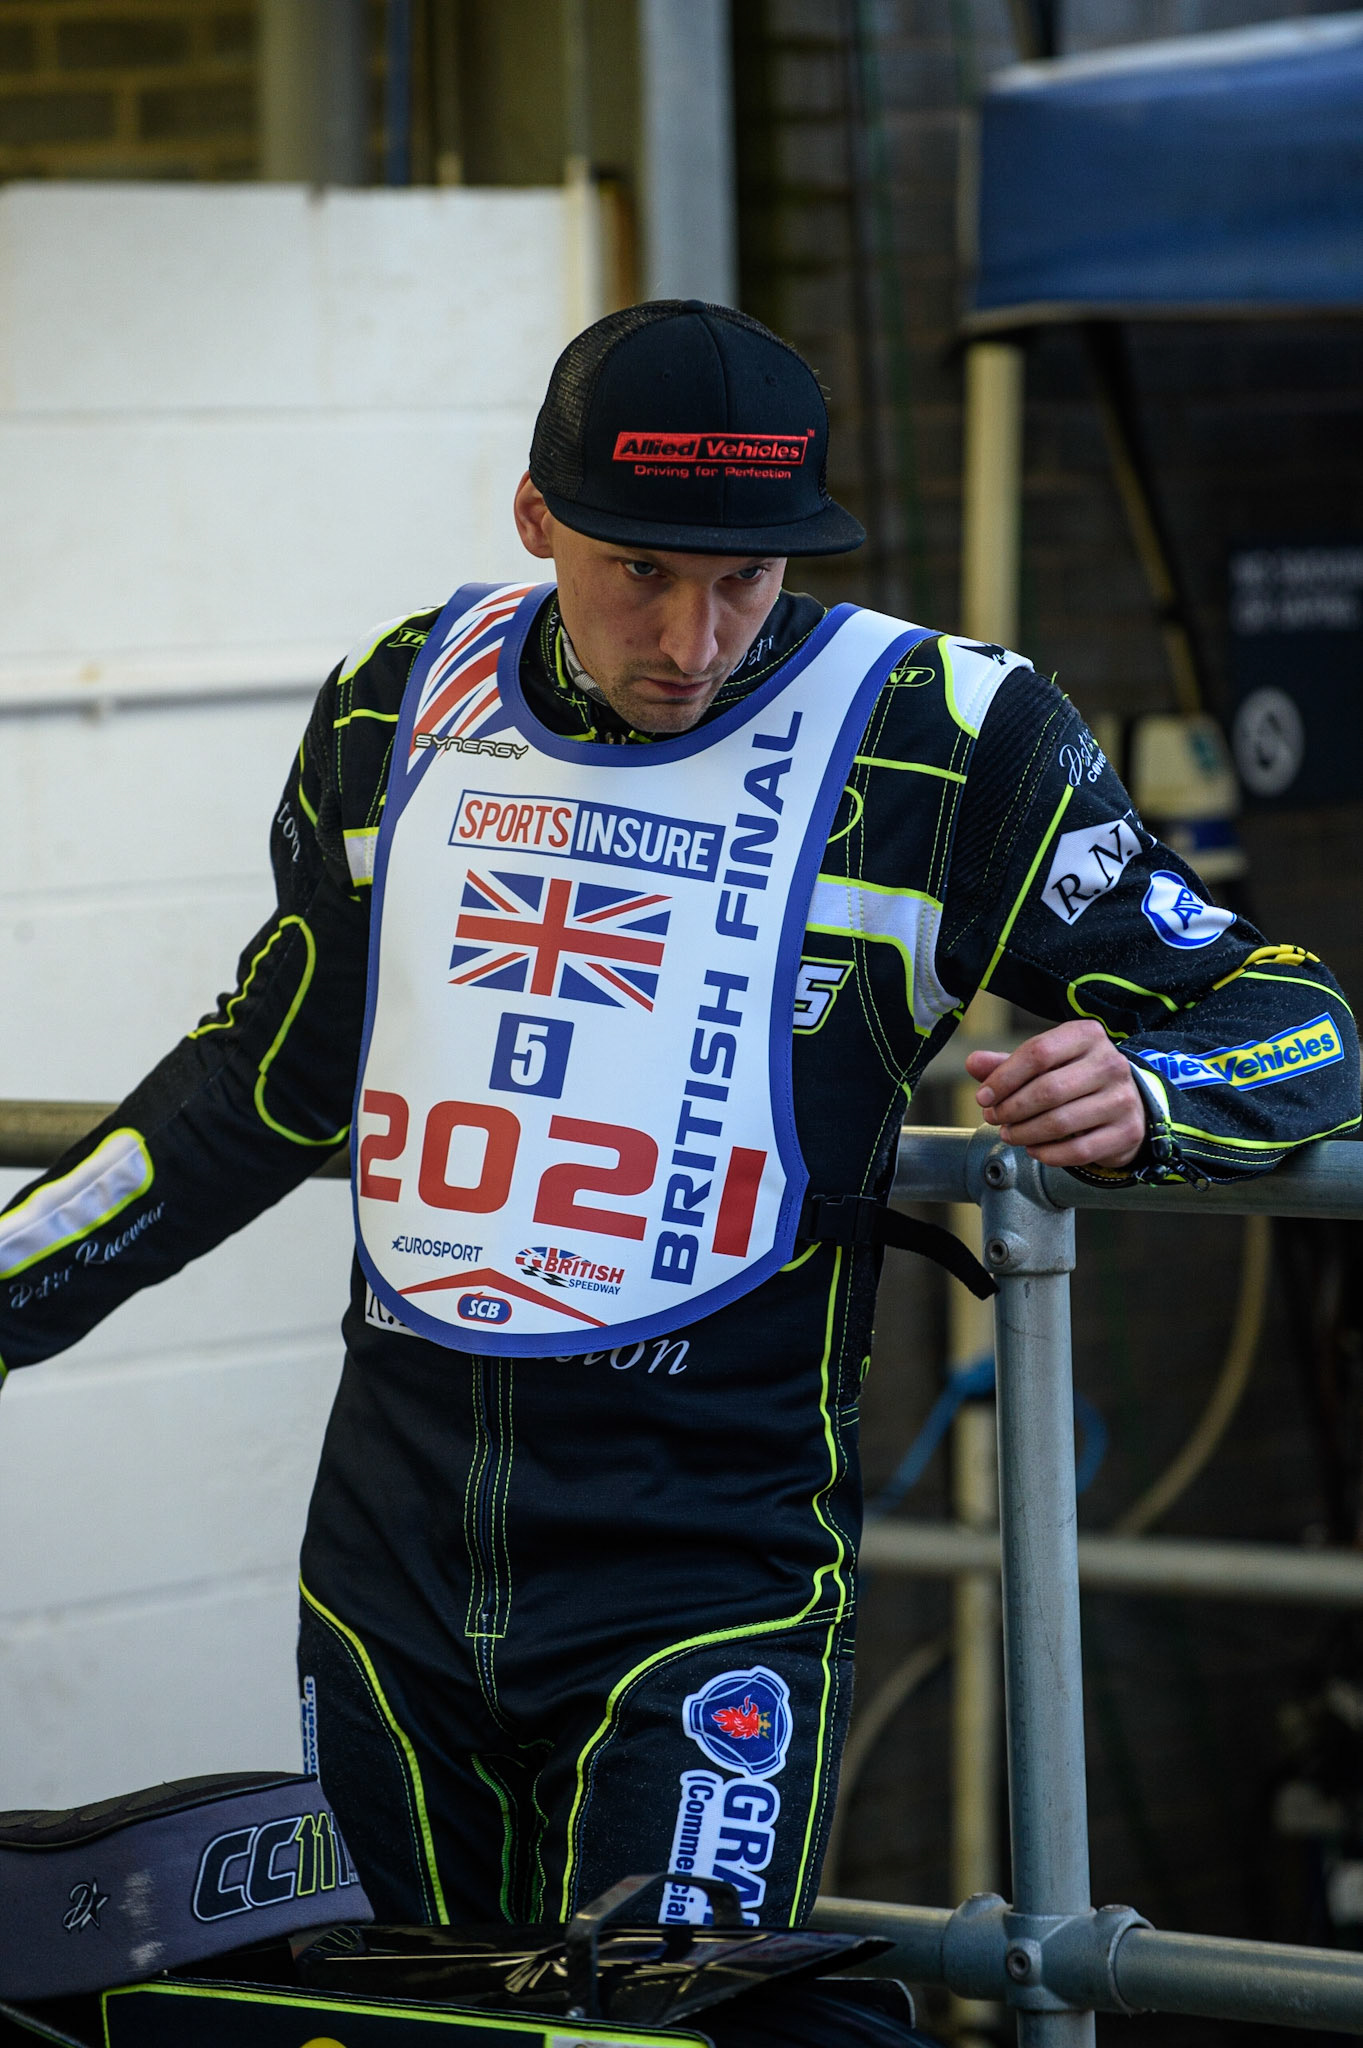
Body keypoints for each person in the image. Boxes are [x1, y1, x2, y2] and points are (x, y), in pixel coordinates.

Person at [1, 301, 1356, 1935]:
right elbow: (259, 1084)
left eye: (746, 580)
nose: (692, 640)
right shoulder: (392, 705)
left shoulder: (948, 736)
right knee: (390, 2034)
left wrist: (1154, 1090)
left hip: (708, 1579)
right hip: (388, 1567)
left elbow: (1298, 1022)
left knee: (664, 2036)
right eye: (639, 570)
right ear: (533, 521)